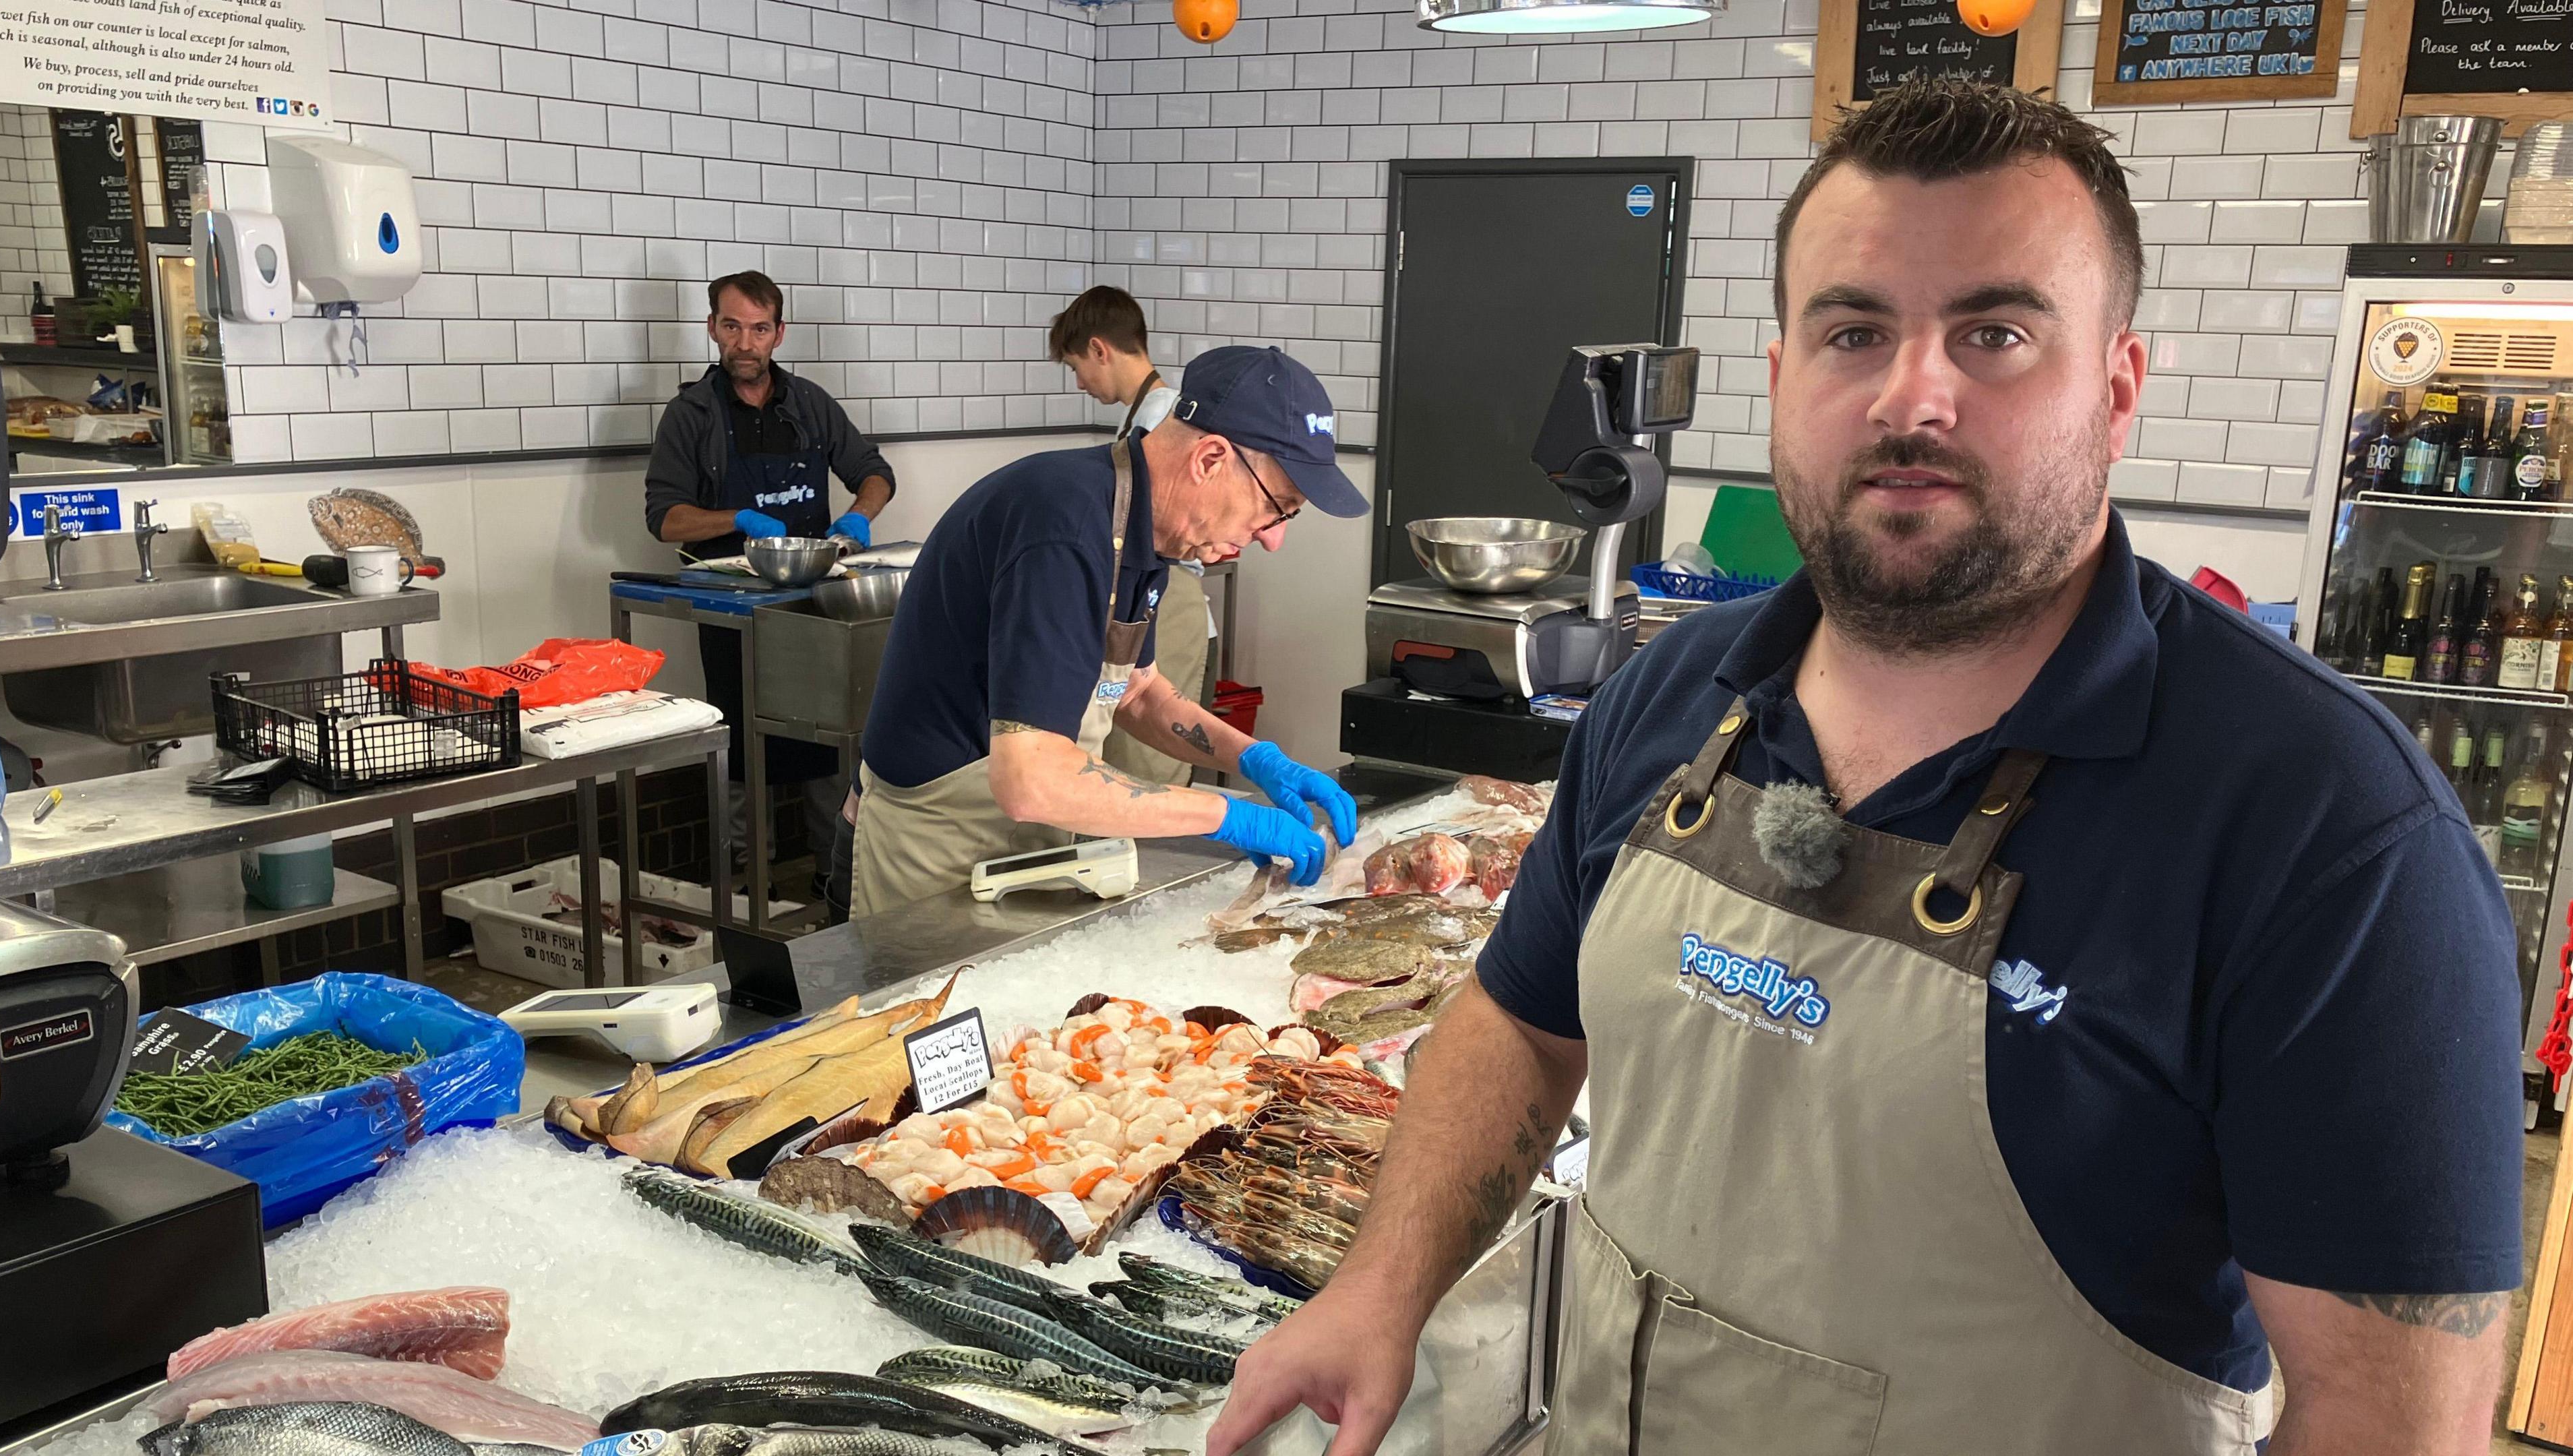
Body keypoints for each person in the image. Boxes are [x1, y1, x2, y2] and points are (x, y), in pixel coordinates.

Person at [1211, 79, 2524, 1456]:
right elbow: (1519, 1026)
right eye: (1855, 331)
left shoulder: (2337, 840)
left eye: (1997, 333)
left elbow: (2392, 1424)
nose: (1915, 397)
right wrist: (1379, 1289)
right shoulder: (1671, 697)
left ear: (2118, 387)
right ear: (1784, 383)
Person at [849, 345, 1366, 921]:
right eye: (1278, 509)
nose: (1274, 539)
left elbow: (1134, 692)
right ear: (1211, 459)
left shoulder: (1140, 530)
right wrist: (1226, 813)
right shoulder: (1064, 528)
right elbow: (1029, 780)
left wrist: (1253, 759)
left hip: (1028, 842)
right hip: (935, 848)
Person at [642, 270, 895, 884]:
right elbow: (665, 519)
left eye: (759, 329)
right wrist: (737, 518)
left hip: (810, 598)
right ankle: (743, 878)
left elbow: (875, 472)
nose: (746, 343)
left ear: (779, 333)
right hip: (729, 605)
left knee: (824, 736)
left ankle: (834, 875)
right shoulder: (690, 415)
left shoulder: (809, 403)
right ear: (712, 329)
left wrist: (858, 517)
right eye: (732, 327)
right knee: (737, 732)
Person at [1051, 286, 1212, 789]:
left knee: (1148, 768)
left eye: (1078, 365)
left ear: (1101, 349)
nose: (1080, 382)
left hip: (1167, 601)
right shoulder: (1143, 416)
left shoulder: (1163, 419)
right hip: (1140, 602)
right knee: (1119, 760)